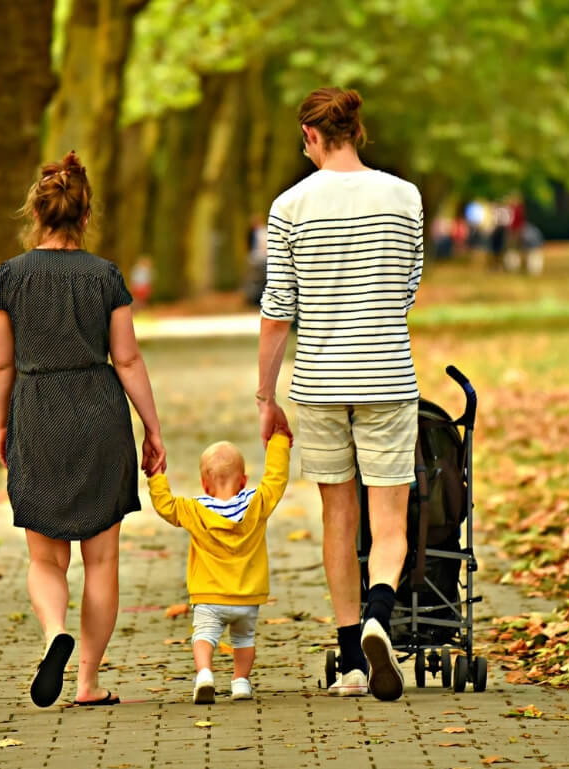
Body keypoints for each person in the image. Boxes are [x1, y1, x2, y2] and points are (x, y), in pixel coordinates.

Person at [256, 87, 423, 702]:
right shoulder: (404, 197)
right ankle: (382, 610)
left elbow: (278, 310)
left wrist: (264, 392)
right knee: (389, 518)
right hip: (386, 375)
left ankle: (352, 658)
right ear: (357, 130)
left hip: (320, 383)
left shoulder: (289, 206)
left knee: (337, 515)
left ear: (311, 137)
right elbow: (408, 287)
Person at [0, 151, 166, 708]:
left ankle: (52, 634)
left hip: (37, 411)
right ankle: (87, 682)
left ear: (35, 215)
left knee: (46, 559)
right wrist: (152, 429)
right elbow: (129, 361)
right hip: (98, 412)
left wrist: (3, 424)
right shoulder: (104, 275)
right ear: (85, 216)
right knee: (103, 561)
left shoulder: (10, 278)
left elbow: (0, 366)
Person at [147, 433, 291, 703]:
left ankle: (204, 674)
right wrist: (279, 442)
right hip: (247, 598)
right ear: (244, 480)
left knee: (204, 636)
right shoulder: (257, 503)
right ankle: (241, 683)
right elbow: (276, 480)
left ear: (204, 484)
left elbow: (165, 506)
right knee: (244, 639)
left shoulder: (194, 510)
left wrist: (156, 475)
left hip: (209, 597)